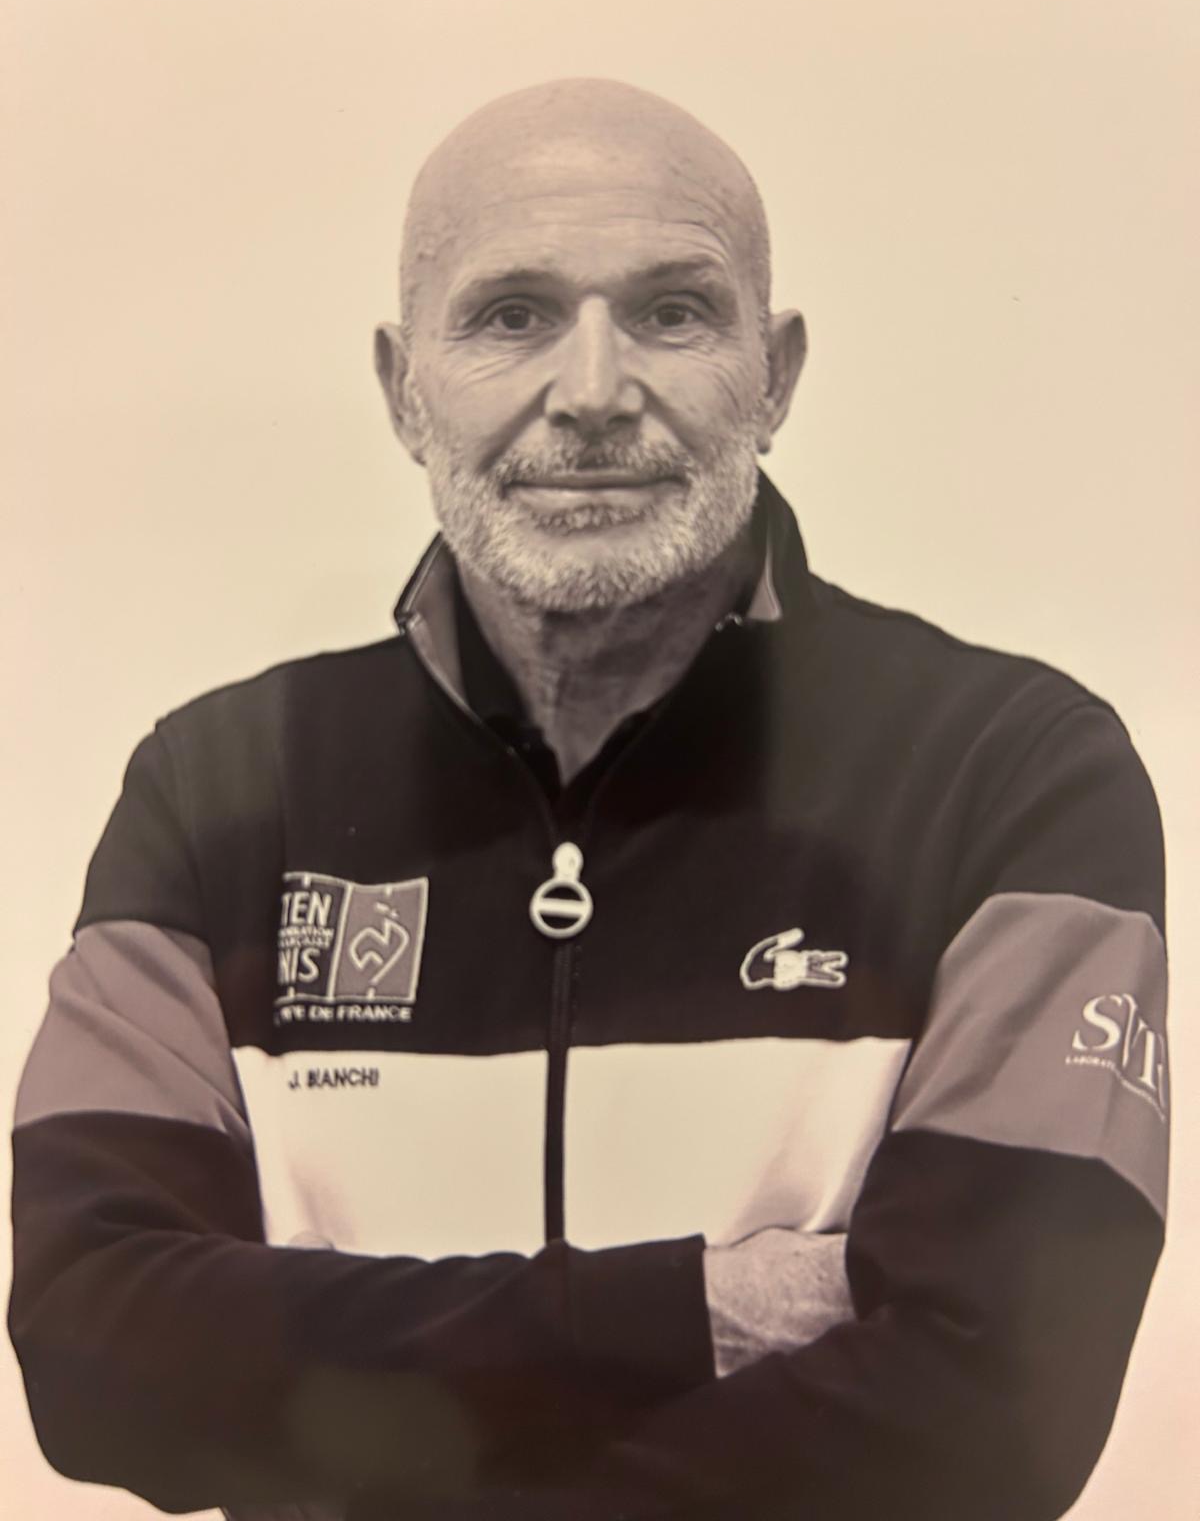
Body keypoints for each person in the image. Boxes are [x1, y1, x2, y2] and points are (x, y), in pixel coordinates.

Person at [9, 78, 1169, 1521]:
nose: (595, 389)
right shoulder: (216, 790)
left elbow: (995, 1408)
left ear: (777, 374)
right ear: (402, 389)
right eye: (513, 315)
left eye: (674, 312)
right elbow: (92, 1344)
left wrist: (337, 1382)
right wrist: (685, 1313)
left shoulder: (1015, 772)